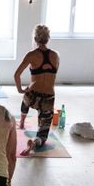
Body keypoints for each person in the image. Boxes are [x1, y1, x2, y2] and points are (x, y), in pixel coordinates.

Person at [14, 24, 60, 156]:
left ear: (35, 38)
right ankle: (35, 142)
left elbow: (16, 75)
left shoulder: (31, 55)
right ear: (48, 38)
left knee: (25, 100)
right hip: (48, 97)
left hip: (33, 94)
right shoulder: (56, 55)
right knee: (43, 134)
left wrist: (20, 90)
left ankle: (22, 122)